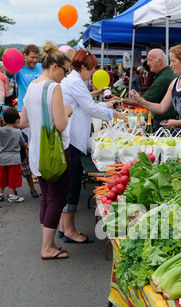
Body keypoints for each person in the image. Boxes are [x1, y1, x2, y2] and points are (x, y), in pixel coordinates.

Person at [58, 49, 127, 244]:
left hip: (71, 137)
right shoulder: (75, 82)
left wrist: (109, 105)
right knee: (71, 185)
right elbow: (89, 108)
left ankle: (64, 228)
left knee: (69, 184)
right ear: (82, 67)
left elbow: (86, 104)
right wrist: (115, 114)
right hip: (71, 138)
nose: (93, 72)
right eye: (92, 68)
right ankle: (69, 230)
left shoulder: (74, 81)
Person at [20, 41, 73, 260]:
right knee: (57, 199)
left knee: (46, 198)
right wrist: (67, 111)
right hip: (54, 153)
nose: (66, 75)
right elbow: (60, 125)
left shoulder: (32, 87)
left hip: (36, 152)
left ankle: (47, 241)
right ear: (54, 67)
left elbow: (23, 121)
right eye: (65, 70)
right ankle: (48, 247)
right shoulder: (54, 87)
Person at [129, 44, 181, 154]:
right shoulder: (175, 82)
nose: (170, 65)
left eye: (173, 61)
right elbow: (161, 108)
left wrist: (177, 123)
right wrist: (140, 101)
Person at [106, 49, 176, 132]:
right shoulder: (166, 74)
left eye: (150, 60)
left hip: (165, 123)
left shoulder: (163, 78)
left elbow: (142, 101)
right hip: (168, 120)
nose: (148, 63)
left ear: (160, 61)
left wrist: (120, 100)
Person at [14, 44, 43, 198]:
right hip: (23, 111)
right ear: (24, 55)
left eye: (37, 57)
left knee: (38, 142)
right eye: (32, 57)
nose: (34, 60)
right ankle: (33, 172)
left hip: (39, 110)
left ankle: (37, 170)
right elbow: (7, 72)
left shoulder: (40, 67)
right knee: (28, 144)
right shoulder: (18, 69)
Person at [0, 107, 27, 203]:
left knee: (2, 177)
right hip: (14, 159)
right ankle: (12, 195)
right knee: (13, 177)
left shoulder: (1, 130)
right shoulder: (17, 132)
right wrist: (26, 145)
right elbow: (23, 144)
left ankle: (0, 194)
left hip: (2, 158)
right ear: (16, 120)